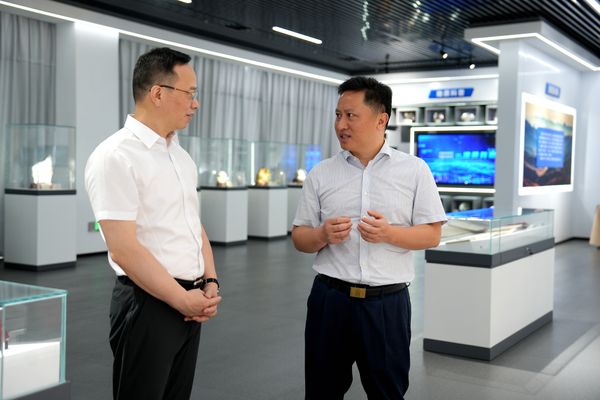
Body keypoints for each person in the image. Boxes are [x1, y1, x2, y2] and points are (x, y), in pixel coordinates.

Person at [292, 76, 446, 399]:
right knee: (321, 392)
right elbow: (300, 238)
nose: (341, 125)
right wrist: (322, 234)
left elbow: (432, 234)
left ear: (381, 120)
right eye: (338, 115)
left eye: (351, 115)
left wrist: (389, 233)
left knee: (387, 393)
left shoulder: (415, 171)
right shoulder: (321, 174)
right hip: (329, 302)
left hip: (386, 306)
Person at [85, 47, 221, 400]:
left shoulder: (180, 156)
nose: (195, 103)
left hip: (189, 300)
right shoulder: (116, 155)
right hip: (147, 303)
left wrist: (209, 280)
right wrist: (181, 299)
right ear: (158, 93)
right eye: (189, 93)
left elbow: (192, 224)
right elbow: (123, 248)